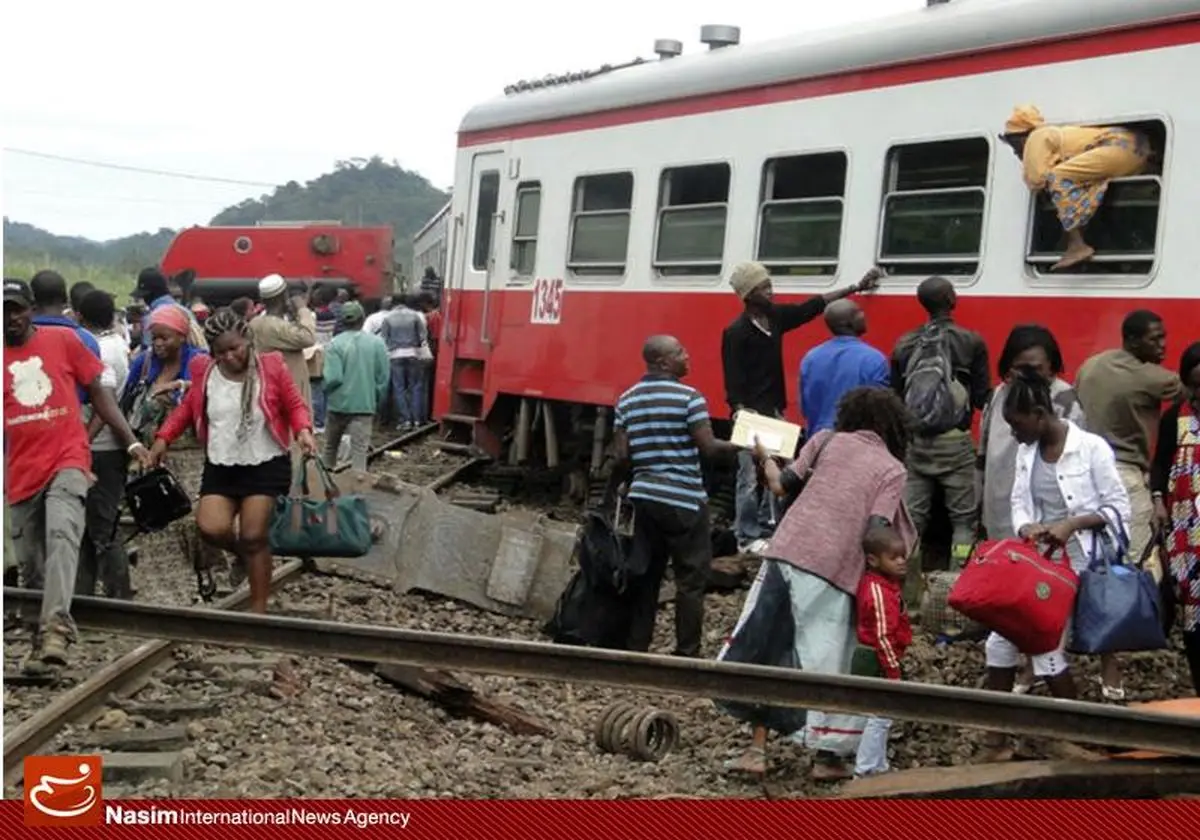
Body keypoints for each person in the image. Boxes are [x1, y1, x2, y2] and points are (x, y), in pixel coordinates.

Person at [728, 387, 916, 780]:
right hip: (837, 570)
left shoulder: (826, 440)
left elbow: (781, 485)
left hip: (787, 552)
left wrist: (765, 458)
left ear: (850, 416)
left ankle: (756, 751)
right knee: (831, 659)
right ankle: (827, 757)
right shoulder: (892, 469)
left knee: (769, 644)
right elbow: (877, 529)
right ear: (893, 429)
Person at [981, 368, 1131, 760]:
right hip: (1041, 564)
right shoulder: (1026, 453)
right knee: (1002, 642)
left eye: (1018, 425)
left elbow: (1118, 508)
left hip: (1082, 564)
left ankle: (1069, 736)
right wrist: (1027, 527)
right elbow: (1019, 503)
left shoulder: (1092, 448)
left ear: (1039, 414)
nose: (1014, 434)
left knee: (1041, 643)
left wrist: (1071, 525)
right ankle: (1004, 739)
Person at [4, 279, 152, 675]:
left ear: (31, 309)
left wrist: (131, 442)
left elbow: (101, 395)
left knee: (63, 534)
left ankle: (56, 629)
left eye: (17, 309)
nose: (10, 318)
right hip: (21, 471)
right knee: (32, 564)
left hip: (68, 459)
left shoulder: (63, 341)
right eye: (3, 311)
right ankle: (40, 641)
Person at [149, 308, 316, 615]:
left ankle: (258, 612)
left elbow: (294, 404)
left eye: (234, 348)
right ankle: (247, 556)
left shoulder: (271, 366)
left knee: (254, 535)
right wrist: (163, 438)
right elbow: (187, 408)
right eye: (220, 352)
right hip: (222, 463)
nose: (228, 357)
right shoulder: (204, 370)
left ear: (247, 340)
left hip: (265, 462)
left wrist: (303, 431)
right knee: (210, 528)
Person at [721, 262, 881, 554]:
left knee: (775, 473)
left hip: (774, 410)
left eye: (769, 284)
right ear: (748, 294)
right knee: (749, 478)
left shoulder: (775, 318)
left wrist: (855, 287)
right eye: (763, 287)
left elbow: (813, 306)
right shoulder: (736, 332)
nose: (770, 291)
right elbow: (732, 379)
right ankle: (745, 536)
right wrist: (740, 411)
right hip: (751, 414)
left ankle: (767, 529)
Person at [613, 335, 742, 658]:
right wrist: (745, 445)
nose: (687, 356)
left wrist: (634, 479)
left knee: (647, 577)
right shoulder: (689, 398)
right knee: (691, 580)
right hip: (684, 500)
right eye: (680, 352)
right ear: (663, 362)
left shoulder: (626, 400)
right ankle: (687, 652)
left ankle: (636, 649)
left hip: (644, 498)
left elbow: (622, 457)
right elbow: (709, 449)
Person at [1076, 310, 1182, 698]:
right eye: (1155, 339)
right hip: (1124, 472)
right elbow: (1186, 389)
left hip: (1087, 470)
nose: (1163, 346)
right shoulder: (1151, 376)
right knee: (1139, 558)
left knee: (1094, 555)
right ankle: (1129, 630)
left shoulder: (1091, 365)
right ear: (1133, 341)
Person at [890, 276, 990, 602]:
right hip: (955, 444)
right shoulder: (971, 341)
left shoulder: (905, 344)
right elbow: (981, 397)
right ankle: (954, 593)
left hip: (917, 444)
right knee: (963, 522)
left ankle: (908, 597)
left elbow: (895, 397)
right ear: (950, 299)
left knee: (912, 522)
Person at [1001, 105, 1150, 271]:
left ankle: (1077, 245)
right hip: (1135, 148)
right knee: (1079, 184)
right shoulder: (1056, 136)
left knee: (1058, 177)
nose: (1014, 151)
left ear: (1022, 137)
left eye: (1012, 143)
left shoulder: (1037, 137)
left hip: (1119, 147)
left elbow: (1037, 179)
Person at [76, 290, 134, 599]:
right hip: (108, 447)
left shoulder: (97, 349)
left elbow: (104, 403)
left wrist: (83, 441)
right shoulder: (119, 344)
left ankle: (119, 598)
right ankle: (84, 595)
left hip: (100, 448)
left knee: (102, 527)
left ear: (79, 316)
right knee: (90, 528)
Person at [1151, 342, 1200, 697]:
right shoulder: (1175, 418)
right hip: (1186, 535)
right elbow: (1160, 464)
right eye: (1194, 385)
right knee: (1193, 614)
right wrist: (1157, 500)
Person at [852, 524, 913, 778]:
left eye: (903, 556)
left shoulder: (886, 585)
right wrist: (893, 669)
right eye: (893, 557)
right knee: (879, 716)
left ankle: (877, 765)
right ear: (873, 560)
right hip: (875, 659)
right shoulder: (877, 590)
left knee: (882, 715)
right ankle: (866, 768)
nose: (901, 562)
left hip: (880, 656)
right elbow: (882, 635)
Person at [799, 298, 890, 434]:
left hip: (818, 439)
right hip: (856, 442)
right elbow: (880, 411)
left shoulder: (810, 358)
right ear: (847, 323)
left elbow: (805, 408)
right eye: (858, 312)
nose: (863, 315)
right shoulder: (874, 359)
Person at [123, 304, 208, 447]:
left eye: (164, 338)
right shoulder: (144, 362)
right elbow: (127, 397)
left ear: (182, 337)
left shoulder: (199, 362)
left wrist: (179, 385)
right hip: (148, 448)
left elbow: (208, 389)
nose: (158, 343)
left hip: (189, 451)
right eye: (154, 338)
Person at [322, 302, 390, 474]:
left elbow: (333, 377)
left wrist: (325, 390)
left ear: (343, 321)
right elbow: (383, 378)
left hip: (337, 405)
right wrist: (375, 399)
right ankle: (358, 483)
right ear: (362, 319)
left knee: (330, 448)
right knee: (360, 451)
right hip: (364, 405)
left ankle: (326, 480)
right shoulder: (377, 343)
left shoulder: (335, 344)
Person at [30, 270, 101, 404]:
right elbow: (96, 392)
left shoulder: (16, 338)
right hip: (75, 413)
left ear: (31, 300)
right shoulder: (86, 340)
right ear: (66, 300)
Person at [248, 274, 317, 414]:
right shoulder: (276, 327)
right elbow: (308, 338)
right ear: (284, 296)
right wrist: (302, 309)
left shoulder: (255, 323)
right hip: (288, 396)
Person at [381, 294, 430, 430]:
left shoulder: (388, 317)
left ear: (393, 303)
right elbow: (423, 336)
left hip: (395, 355)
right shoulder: (415, 316)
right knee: (415, 387)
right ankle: (417, 420)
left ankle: (405, 420)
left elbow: (384, 338)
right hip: (413, 353)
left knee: (399, 388)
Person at [133, 267, 206, 350]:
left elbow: (148, 352)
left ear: (149, 295)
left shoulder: (151, 318)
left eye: (144, 296)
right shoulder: (186, 312)